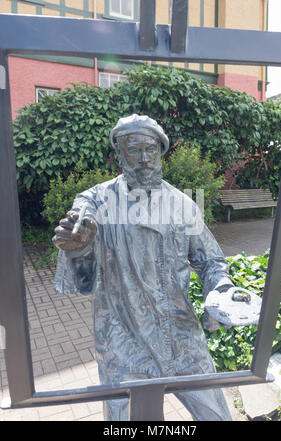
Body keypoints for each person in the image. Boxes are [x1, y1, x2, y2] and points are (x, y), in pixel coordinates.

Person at [53, 114, 243, 421]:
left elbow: (210, 261)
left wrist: (222, 287)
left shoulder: (182, 205)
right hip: (123, 342)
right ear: (120, 154)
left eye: (150, 149)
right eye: (134, 150)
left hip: (181, 338)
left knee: (217, 417)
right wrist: (80, 247)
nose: (144, 159)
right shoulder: (96, 201)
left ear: (161, 152)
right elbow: (79, 253)